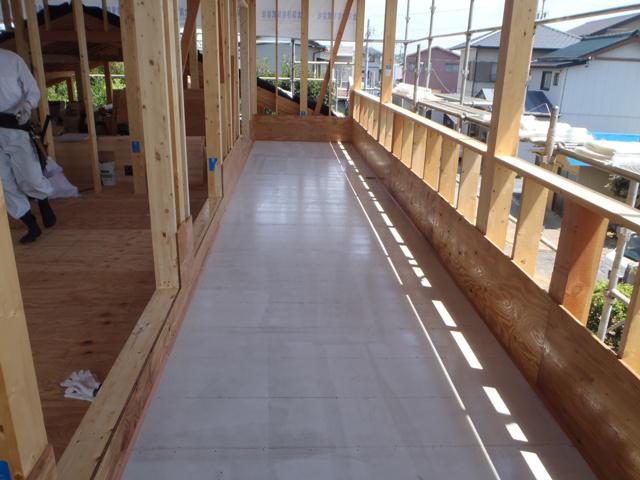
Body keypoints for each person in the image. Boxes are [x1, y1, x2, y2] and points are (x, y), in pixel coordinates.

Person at [0, 48, 56, 244]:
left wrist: (27, 105)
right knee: (5, 183)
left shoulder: (11, 59)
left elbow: (33, 90)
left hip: (15, 127)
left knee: (30, 177)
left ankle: (43, 201)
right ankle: (31, 224)